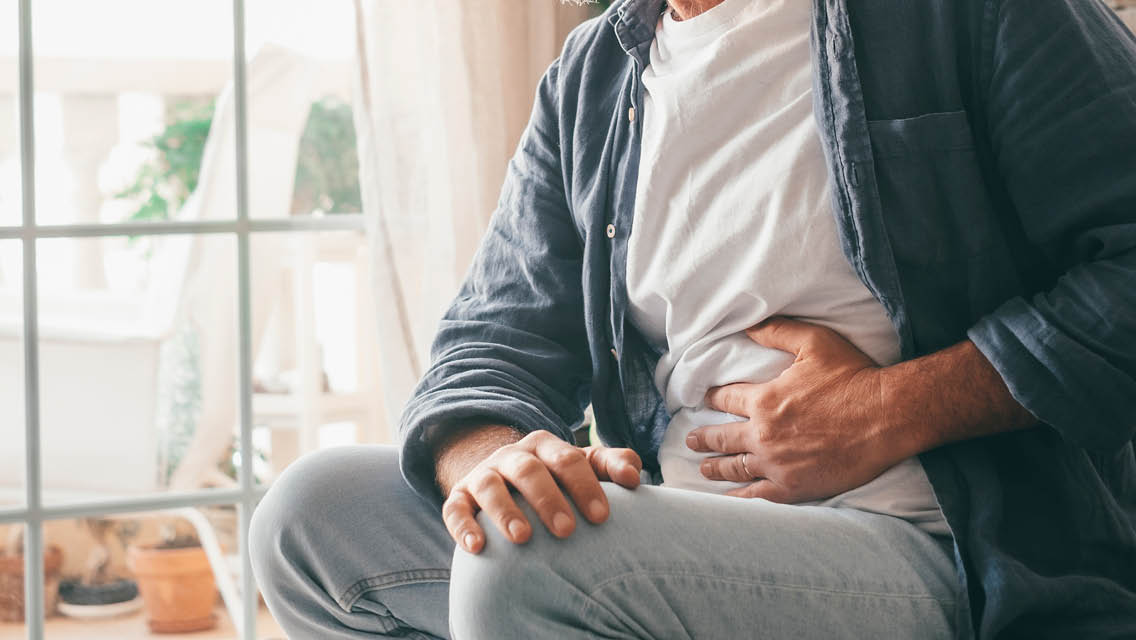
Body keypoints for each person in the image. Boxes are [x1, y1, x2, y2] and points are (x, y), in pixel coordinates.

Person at [250, 0, 1136, 638]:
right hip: (672, 527)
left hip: (944, 552)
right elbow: (493, 338)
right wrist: (497, 462)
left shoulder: (975, 15)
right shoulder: (594, 78)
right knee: (310, 516)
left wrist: (890, 409)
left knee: (527, 566)